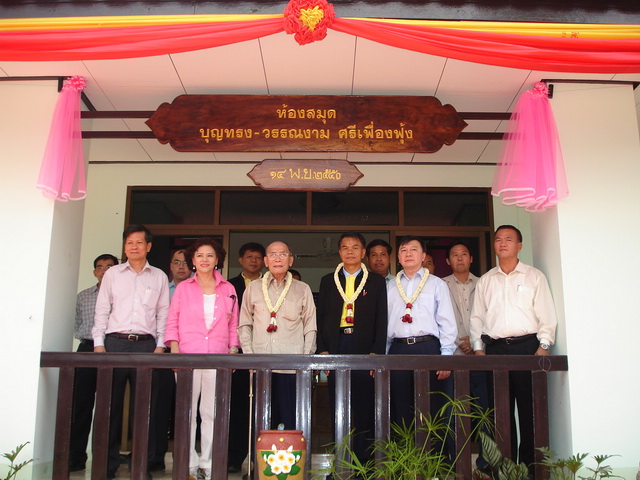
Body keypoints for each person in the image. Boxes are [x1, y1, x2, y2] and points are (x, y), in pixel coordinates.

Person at [470, 225, 557, 470]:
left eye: (509, 239)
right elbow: (477, 318)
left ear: (519, 245)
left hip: (528, 348)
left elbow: (546, 314)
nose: (503, 243)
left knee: (530, 411)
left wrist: (544, 345)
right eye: (498, 239)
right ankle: (504, 470)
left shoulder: (534, 276)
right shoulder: (486, 280)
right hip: (496, 350)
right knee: (500, 413)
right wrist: (479, 350)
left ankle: (530, 470)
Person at [92, 225, 170, 480]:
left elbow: (163, 313)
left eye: (138, 242)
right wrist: (99, 344)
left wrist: (160, 345)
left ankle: (141, 465)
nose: (133, 246)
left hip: (147, 346)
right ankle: (105, 466)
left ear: (149, 246)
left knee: (144, 409)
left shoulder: (158, 276)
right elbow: (102, 309)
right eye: (129, 243)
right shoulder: (113, 274)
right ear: (124, 247)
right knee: (108, 407)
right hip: (114, 344)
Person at [164, 237, 240, 480]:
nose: (204, 259)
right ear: (193, 260)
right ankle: (188, 463)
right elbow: (172, 320)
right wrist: (174, 351)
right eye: (199, 255)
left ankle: (208, 463)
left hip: (218, 357)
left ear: (217, 260)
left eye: (209, 255)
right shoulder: (184, 288)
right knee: (186, 412)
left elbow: (234, 324)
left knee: (212, 412)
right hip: (187, 356)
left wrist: (233, 351)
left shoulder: (228, 288)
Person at [317, 232, 387, 463]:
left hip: (365, 348)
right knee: (338, 406)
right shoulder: (329, 280)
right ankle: (340, 463)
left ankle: (364, 464)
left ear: (363, 252)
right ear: (339, 252)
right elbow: (321, 316)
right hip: (337, 345)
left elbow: (381, 318)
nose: (350, 251)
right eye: (345, 247)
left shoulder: (375, 281)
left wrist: (376, 353)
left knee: (364, 406)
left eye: (355, 247)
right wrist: (323, 349)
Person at [238, 241, 316, 429]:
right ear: (266, 261)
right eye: (273, 254)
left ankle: (292, 451)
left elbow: (310, 326)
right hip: (261, 365)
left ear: (291, 260)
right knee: (264, 424)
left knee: (292, 423)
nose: (278, 258)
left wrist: (305, 361)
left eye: (283, 254)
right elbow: (244, 324)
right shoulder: (253, 288)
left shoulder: (302, 289)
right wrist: (250, 357)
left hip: (292, 366)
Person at [386, 236, 457, 428]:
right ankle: (405, 448)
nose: (408, 254)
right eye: (403, 250)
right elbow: (385, 323)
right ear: (398, 257)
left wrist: (446, 356)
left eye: (413, 249)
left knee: (431, 406)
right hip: (398, 349)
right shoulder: (390, 286)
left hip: (428, 347)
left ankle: (433, 449)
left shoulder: (436, 284)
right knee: (401, 406)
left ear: (423, 255)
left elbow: (447, 321)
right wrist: (384, 356)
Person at [442, 241, 489, 469]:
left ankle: (485, 460)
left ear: (471, 258)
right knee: (454, 409)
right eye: (454, 255)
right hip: (453, 355)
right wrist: (459, 341)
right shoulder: (441, 285)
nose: (459, 258)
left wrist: (476, 341)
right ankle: (455, 460)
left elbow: (491, 315)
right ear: (447, 260)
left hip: (480, 354)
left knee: (483, 408)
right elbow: (440, 319)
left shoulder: (484, 283)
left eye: (464, 254)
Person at [69, 253, 118, 472]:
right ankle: (76, 457)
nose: (104, 271)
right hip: (87, 349)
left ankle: (106, 459)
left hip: (112, 348)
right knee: (81, 405)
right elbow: (77, 324)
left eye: (109, 266)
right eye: (100, 267)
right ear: (94, 272)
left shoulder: (122, 294)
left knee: (110, 406)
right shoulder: (83, 296)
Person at [226, 242, 265, 473]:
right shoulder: (229, 286)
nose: (253, 261)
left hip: (264, 353)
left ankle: (260, 459)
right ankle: (234, 457)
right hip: (238, 353)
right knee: (238, 407)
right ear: (240, 260)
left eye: (258, 257)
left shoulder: (269, 283)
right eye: (249, 257)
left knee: (263, 407)